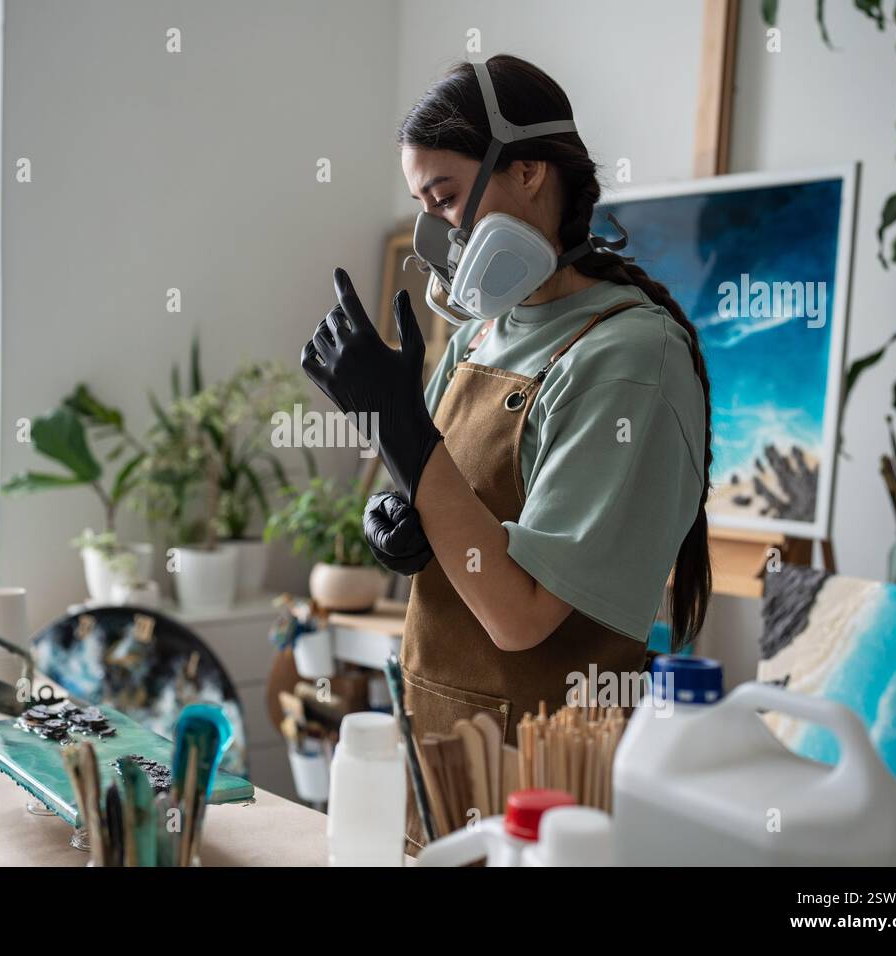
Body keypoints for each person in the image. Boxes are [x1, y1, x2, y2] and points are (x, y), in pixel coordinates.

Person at [300, 55, 711, 846]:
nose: (440, 235)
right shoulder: (484, 333)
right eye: (424, 207)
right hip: (439, 752)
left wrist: (403, 431)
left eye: (447, 198)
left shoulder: (626, 356)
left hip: (548, 783)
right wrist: (400, 511)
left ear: (528, 170)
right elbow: (452, 507)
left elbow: (518, 615)